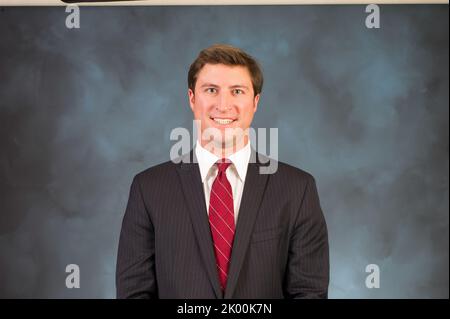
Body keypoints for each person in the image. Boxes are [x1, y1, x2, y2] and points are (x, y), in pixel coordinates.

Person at [116, 44, 329, 299]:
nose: (223, 104)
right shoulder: (148, 189)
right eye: (211, 90)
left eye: (237, 91)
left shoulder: (298, 189)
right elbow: (134, 294)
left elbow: (309, 294)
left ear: (255, 102)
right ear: (192, 98)